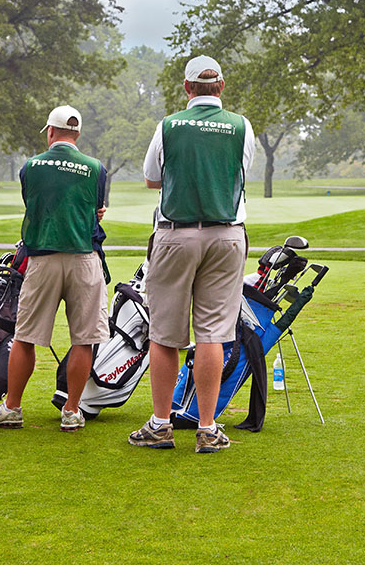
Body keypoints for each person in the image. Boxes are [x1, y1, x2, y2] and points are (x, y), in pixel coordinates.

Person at [129, 55, 255, 453]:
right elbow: (238, 172)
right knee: (213, 334)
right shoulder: (241, 126)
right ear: (220, 87)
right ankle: (207, 427)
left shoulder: (168, 126)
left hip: (176, 234)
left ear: (187, 89)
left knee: (165, 334)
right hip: (227, 236)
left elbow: (152, 178)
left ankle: (161, 424)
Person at [0, 105, 109, 433]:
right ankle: (71, 410)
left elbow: (35, 202)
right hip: (85, 259)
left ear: (50, 132)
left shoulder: (30, 167)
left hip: (43, 259)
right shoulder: (96, 168)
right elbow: (96, 210)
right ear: (77, 134)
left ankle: (13, 407)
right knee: (83, 339)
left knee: (24, 336)